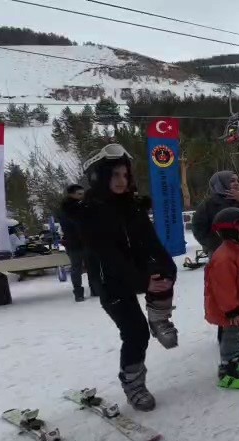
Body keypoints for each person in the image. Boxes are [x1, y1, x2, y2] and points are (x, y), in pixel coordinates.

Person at [63, 144, 178, 411]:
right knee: (136, 333)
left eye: (125, 175)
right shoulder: (89, 213)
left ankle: (159, 316)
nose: (121, 181)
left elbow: (152, 243)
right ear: (99, 177)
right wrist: (142, 282)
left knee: (163, 271)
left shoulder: (132, 207)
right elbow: (108, 257)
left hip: (138, 273)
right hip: (110, 281)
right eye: (114, 175)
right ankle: (133, 384)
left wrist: (167, 271)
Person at [192, 171, 239, 341]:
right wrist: (215, 244)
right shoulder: (209, 204)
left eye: (237, 180)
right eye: (231, 180)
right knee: (227, 292)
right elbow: (197, 227)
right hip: (223, 257)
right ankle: (226, 332)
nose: (236, 182)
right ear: (221, 183)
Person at [204, 207, 239, 390]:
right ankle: (227, 369)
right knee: (232, 335)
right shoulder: (224, 257)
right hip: (229, 308)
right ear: (228, 232)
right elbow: (223, 288)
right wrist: (231, 310)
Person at [58, 184, 101, 302]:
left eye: (83, 193)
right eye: (79, 194)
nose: (82, 196)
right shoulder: (67, 208)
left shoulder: (84, 206)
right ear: (72, 194)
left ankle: (96, 289)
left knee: (92, 267)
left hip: (86, 242)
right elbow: (70, 225)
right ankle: (78, 293)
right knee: (76, 268)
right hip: (74, 243)